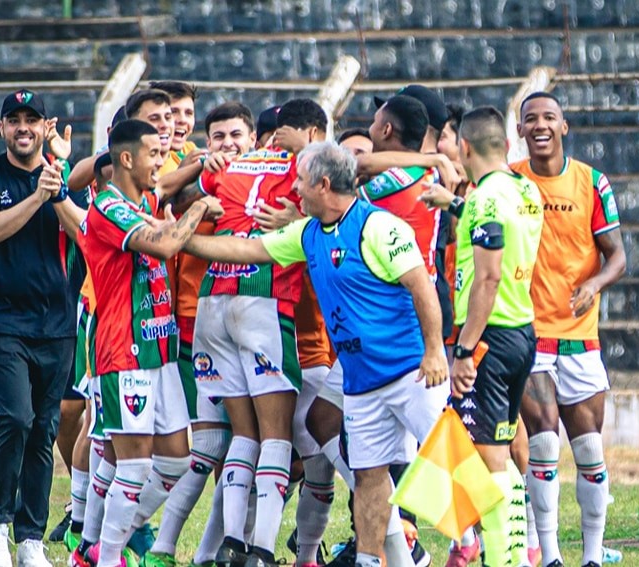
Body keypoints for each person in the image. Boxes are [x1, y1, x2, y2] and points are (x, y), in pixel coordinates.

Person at [181, 140, 448, 567]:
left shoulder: (380, 227)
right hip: (361, 382)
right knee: (369, 476)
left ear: (323, 184)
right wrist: (181, 241)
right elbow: (247, 250)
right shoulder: (307, 233)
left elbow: (422, 287)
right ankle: (370, 560)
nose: (295, 191)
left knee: (446, 465)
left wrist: (434, 351)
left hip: (409, 371)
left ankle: (492, 546)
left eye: (300, 183)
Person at [61, 119, 222, 567]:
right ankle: (103, 556)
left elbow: (161, 222)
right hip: (123, 351)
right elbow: (168, 244)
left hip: (160, 351)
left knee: (174, 461)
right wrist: (198, 209)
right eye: (154, 154)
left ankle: (100, 545)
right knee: (132, 468)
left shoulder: (144, 200)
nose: (161, 163)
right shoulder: (109, 208)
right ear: (127, 159)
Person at [192, 98, 327, 567]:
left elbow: (204, 182)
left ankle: (231, 544)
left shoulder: (226, 166)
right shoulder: (304, 164)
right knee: (276, 436)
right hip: (262, 292)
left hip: (213, 294)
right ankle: (264, 550)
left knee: (242, 434)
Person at [420, 106, 544, 567]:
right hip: (521, 332)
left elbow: (487, 279)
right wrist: (450, 203)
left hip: (489, 337)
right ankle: (511, 553)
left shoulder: (488, 199)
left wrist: (465, 350)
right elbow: (491, 222)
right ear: (507, 146)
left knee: (490, 460)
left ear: (465, 148)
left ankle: (504, 559)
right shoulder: (522, 188)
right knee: (500, 449)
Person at [512, 92, 626, 567]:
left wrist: (594, 283)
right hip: (530, 334)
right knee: (541, 439)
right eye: (530, 119)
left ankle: (593, 558)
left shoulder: (592, 183)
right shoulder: (510, 181)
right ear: (520, 131)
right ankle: (552, 556)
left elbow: (617, 254)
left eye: (549, 117)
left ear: (564, 126)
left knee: (590, 449)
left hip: (581, 336)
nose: (540, 125)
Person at [143, 101, 257, 567]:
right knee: (215, 445)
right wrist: (194, 177)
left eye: (236, 136)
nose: (228, 145)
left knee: (241, 448)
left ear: (253, 141)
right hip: (197, 332)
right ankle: (143, 541)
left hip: (260, 329)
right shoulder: (192, 184)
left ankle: (213, 551)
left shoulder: (263, 184)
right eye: (219, 137)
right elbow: (158, 201)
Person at [0, 89, 75, 567]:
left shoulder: (62, 178)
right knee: (15, 418)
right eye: (15, 119)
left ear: (45, 126)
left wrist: (61, 186)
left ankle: (31, 538)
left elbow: (87, 235)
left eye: (32, 119)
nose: (23, 127)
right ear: (2, 128)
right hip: (0, 316)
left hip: (56, 320)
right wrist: (37, 197)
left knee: (44, 428)